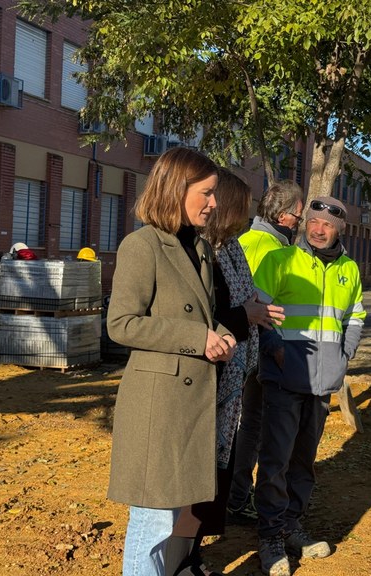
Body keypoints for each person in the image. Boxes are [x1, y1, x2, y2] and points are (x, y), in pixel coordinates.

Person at [105, 147, 237, 576]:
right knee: (153, 522)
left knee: (171, 516)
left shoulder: (199, 247)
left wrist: (220, 333)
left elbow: (201, 315)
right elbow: (121, 324)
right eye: (207, 192)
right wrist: (196, 338)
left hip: (189, 407)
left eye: (214, 193)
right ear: (176, 189)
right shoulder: (142, 246)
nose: (214, 203)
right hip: (157, 408)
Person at [165, 169, 285, 576]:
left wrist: (256, 312)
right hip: (206, 381)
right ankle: (178, 562)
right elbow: (201, 319)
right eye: (242, 206)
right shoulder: (201, 254)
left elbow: (242, 297)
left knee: (213, 476)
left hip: (230, 384)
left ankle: (193, 558)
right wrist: (245, 314)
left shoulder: (230, 249)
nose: (247, 215)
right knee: (194, 479)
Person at [251, 196, 366, 576]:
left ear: (340, 230)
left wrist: (345, 355)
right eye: (313, 222)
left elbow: (355, 316)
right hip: (284, 378)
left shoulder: (349, 269)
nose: (318, 229)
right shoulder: (280, 260)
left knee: (304, 460)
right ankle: (270, 536)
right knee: (276, 461)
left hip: (322, 383)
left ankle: (290, 525)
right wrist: (275, 348)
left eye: (327, 225)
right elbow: (258, 310)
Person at [226, 180, 305, 525]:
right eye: (299, 216)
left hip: (236, 345)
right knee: (255, 426)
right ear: (284, 216)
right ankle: (239, 497)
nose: (300, 223)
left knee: (238, 424)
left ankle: (233, 495)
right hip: (262, 349)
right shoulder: (271, 249)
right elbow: (259, 306)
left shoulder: (245, 240)